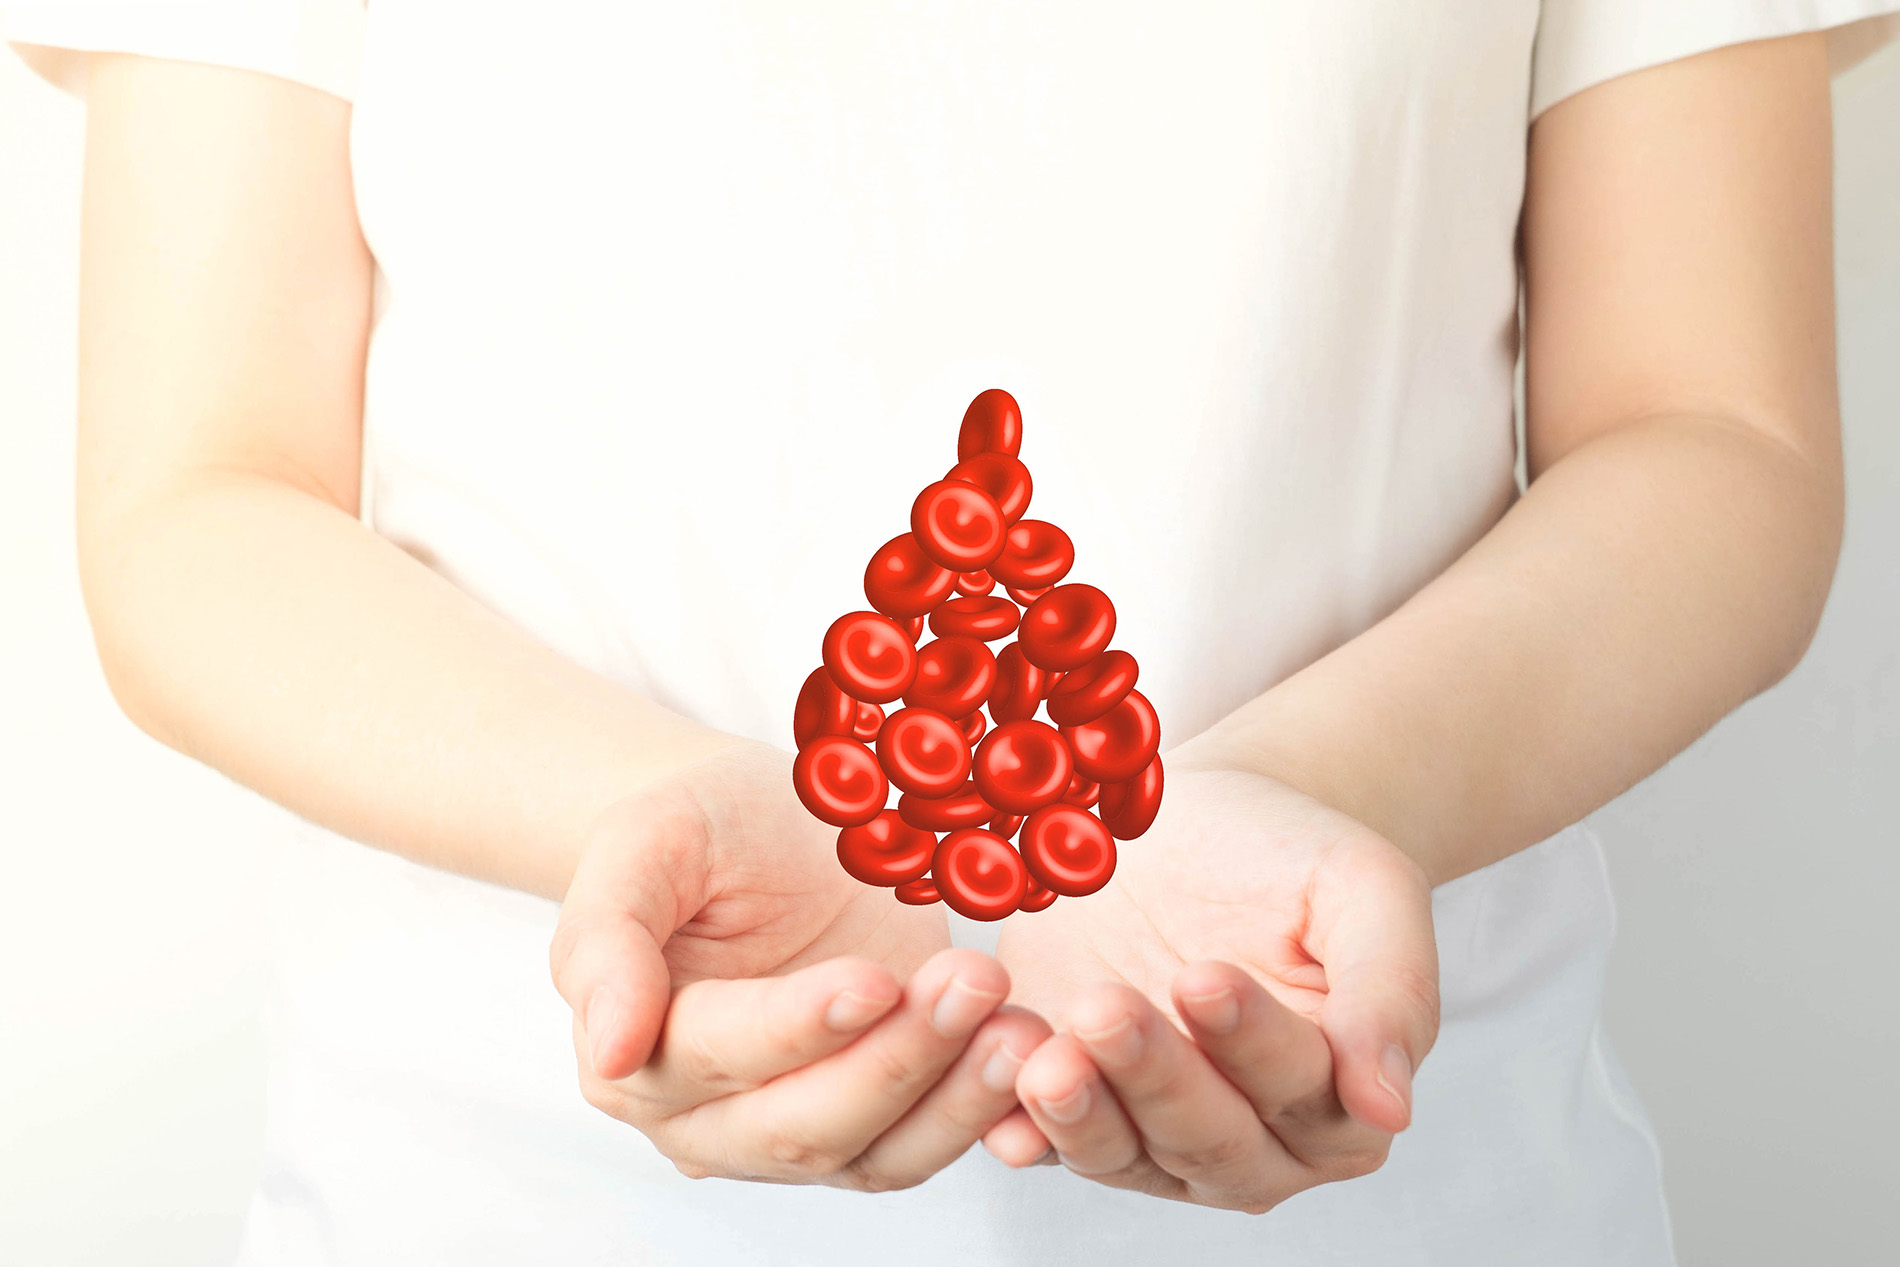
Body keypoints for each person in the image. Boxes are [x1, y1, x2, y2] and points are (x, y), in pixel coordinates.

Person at [6, 1, 1896, 1263]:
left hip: (1426, 1196)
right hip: (492, 1197)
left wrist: (1319, 793)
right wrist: (654, 818)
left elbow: (1706, 436)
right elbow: (200, 496)